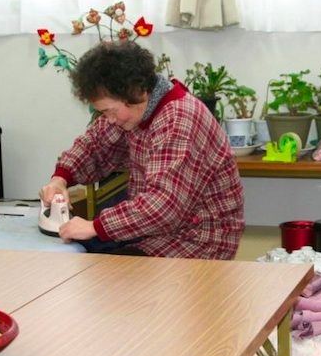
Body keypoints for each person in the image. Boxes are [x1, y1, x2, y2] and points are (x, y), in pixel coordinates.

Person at [39, 40, 245, 260]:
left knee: (104, 275)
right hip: (158, 232)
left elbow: (163, 206)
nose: (109, 120)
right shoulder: (136, 110)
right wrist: (60, 179)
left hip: (199, 240)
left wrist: (95, 228)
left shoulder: (179, 119)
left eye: (110, 111)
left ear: (137, 92)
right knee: (89, 263)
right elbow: (94, 145)